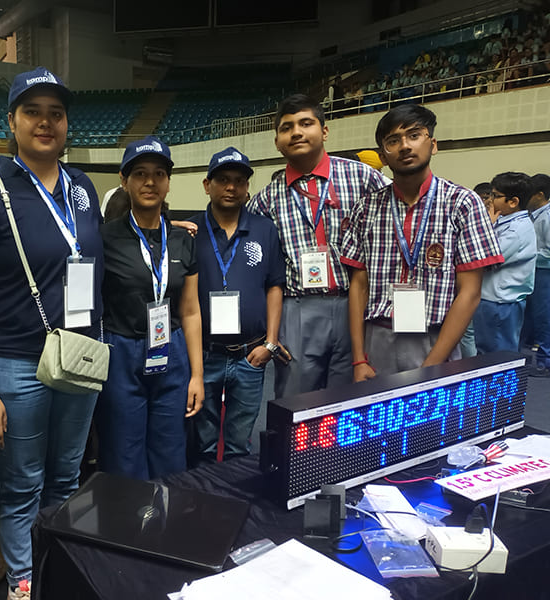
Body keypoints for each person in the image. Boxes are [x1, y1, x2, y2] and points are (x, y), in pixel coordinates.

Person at [0, 67, 104, 600]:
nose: (45, 123)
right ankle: (23, 583)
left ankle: (56, 570)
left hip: (79, 357)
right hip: (18, 363)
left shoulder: (83, 188)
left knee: (66, 478)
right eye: (32, 112)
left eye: (55, 114)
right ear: (12, 121)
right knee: (21, 486)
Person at [341, 104, 503, 379]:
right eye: (393, 141)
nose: (405, 146)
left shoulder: (462, 203)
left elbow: (470, 292)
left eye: (414, 135)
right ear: (383, 155)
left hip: (436, 337)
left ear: (433, 144)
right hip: (378, 338)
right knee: (377, 408)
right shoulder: (366, 208)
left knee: (433, 409)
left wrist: (432, 365)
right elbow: (359, 285)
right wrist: (358, 359)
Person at [246, 94, 386, 398]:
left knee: (348, 398)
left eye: (306, 123)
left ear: (324, 131)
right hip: (297, 308)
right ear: (277, 141)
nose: (296, 132)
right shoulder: (265, 200)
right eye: (287, 127)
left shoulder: (363, 178)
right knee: (295, 399)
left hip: (354, 302)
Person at [96, 136, 204, 480]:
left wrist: (197, 375)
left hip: (172, 351)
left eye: (159, 174)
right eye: (140, 173)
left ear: (168, 183)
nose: (150, 182)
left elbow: (190, 311)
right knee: (123, 455)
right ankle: (126, 516)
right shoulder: (104, 239)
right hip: (122, 353)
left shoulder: (183, 241)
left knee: (170, 454)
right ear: (124, 181)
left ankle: (165, 515)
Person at [187, 147, 286, 465]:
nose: (231, 187)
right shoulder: (190, 231)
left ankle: (232, 492)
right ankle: (200, 492)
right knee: (201, 443)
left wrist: (271, 343)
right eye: (223, 180)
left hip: (250, 355)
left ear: (247, 187)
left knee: (239, 445)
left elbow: (275, 285)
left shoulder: (264, 229)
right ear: (207, 185)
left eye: (239, 181)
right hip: (205, 355)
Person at [473, 172, 536, 354]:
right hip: (493, 299)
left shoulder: (516, 230)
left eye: (495, 195)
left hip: (500, 303)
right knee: (487, 350)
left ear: (513, 202)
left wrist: (487, 227)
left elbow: (484, 257)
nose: (490, 200)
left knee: (497, 354)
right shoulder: (505, 220)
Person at [527, 173, 550, 376]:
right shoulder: (535, 215)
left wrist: (526, 253)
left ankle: (545, 362)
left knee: (544, 317)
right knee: (536, 316)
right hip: (535, 271)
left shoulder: (548, 217)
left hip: (545, 272)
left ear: (540, 195)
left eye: (530, 194)